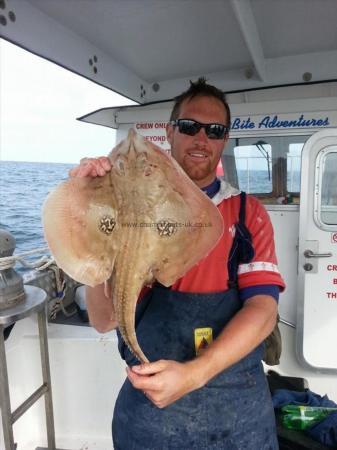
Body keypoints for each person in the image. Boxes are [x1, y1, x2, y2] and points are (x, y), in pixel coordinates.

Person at [70, 78, 285, 449]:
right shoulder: (120, 206)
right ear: (170, 132)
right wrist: (89, 206)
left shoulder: (248, 214)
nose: (202, 138)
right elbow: (104, 320)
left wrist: (193, 374)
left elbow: (264, 309)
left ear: (224, 139)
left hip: (237, 414)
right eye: (189, 126)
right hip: (149, 413)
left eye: (215, 130)